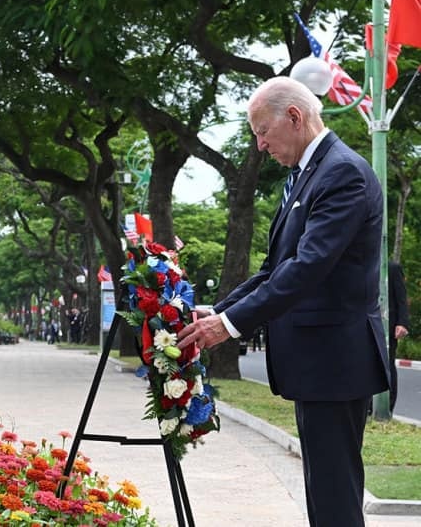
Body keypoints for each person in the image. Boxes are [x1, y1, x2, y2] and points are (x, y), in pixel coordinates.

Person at [176, 76, 389, 527]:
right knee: (324, 490)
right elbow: (275, 269)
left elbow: (307, 269)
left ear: (294, 117)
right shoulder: (308, 175)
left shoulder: (342, 173)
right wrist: (219, 310)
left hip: (335, 363)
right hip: (319, 364)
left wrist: (230, 326)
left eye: (262, 131)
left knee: (334, 495)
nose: (259, 145)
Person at [388, 259, 411, 412]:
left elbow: (401, 299)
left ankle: (388, 407)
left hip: (388, 326)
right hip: (363, 325)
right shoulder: (363, 265)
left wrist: (402, 323)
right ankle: (368, 406)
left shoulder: (393, 268)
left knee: (388, 364)